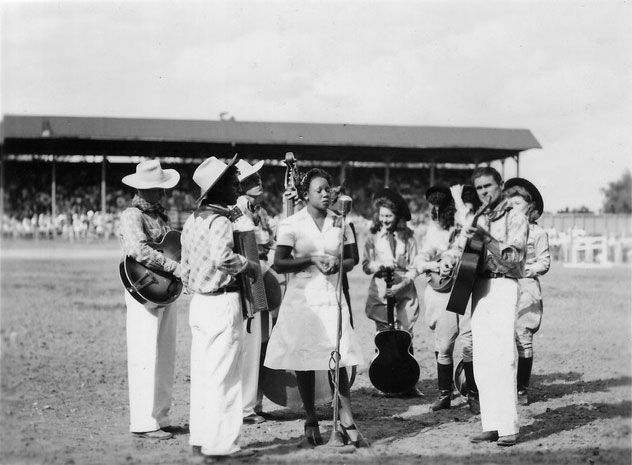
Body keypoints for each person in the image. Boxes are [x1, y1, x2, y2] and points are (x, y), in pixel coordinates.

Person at [264, 168, 367, 448]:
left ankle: (346, 417)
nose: (325, 194)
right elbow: (279, 263)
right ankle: (310, 418)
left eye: (327, 189)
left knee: (340, 357)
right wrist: (311, 259)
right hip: (303, 298)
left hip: (331, 295)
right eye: (318, 189)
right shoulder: (292, 224)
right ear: (305, 194)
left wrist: (337, 263)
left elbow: (352, 260)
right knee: (306, 360)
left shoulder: (342, 222)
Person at [442, 167, 529, 447]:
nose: (483, 192)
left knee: (502, 355)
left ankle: (509, 427)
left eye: (488, 186)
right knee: (481, 357)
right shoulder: (479, 215)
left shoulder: (516, 215)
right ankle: (491, 423)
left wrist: (486, 237)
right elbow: (466, 250)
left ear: (500, 185)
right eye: (478, 188)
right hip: (477, 285)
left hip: (503, 283)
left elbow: (515, 258)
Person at [180, 156, 257, 461]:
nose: (237, 187)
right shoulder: (221, 221)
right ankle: (222, 445)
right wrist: (248, 265)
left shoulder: (193, 219)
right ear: (218, 188)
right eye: (233, 182)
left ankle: (201, 437)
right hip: (223, 299)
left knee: (203, 374)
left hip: (199, 302)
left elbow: (186, 266)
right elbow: (221, 257)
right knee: (225, 376)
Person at [118, 159, 181, 440]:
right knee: (144, 353)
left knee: (165, 353)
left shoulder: (160, 215)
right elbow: (138, 251)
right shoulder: (132, 215)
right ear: (144, 189)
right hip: (144, 286)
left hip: (162, 288)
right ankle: (143, 421)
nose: (164, 193)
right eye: (159, 188)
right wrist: (172, 267)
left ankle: (160, 415)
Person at [410, 185, 480, 412]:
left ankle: (473, 395)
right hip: (443, 287)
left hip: (467, 283)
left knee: (469, 342)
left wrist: (459, 200)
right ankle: (444, 394)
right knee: (445, 342)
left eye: (441, 207)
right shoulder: (435, 227)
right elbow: (424, 254)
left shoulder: (470, 222)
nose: (436, 212)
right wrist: (431, 264)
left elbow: (468, 228)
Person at [362, 188, 421, 397]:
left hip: (404, 290)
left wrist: (405, 281)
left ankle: (409, 383)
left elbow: (416, 266)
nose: (385, 220)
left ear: (397, 216)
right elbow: (365, 265)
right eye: (383, 215)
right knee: (384, 335)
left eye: (390, 215)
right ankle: (384, 381)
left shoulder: (409, 238)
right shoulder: (372, 237)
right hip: (381, 290)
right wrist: (377, 265)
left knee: (406, 334)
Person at [503, 178, 550, 405]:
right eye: (509, 204)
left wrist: (526, 270)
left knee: (523, 336)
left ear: (530, 206)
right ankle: (503, 384)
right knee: (501, 335)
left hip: (527, 287)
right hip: (505, 284)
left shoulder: (538, 233)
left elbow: (545, 262)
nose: (512, 208)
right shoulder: (505, 230)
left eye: (517, 204)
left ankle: (522, 389)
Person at [233, 159, 271, 424]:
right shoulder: (238, 211)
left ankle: (253, 401)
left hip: (260, 277)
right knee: (249, 342)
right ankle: (245, 407)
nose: (259, 183)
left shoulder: (259, 211)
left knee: (260, 340)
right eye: (253, 180)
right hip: (247, 281)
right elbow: (253, 244)